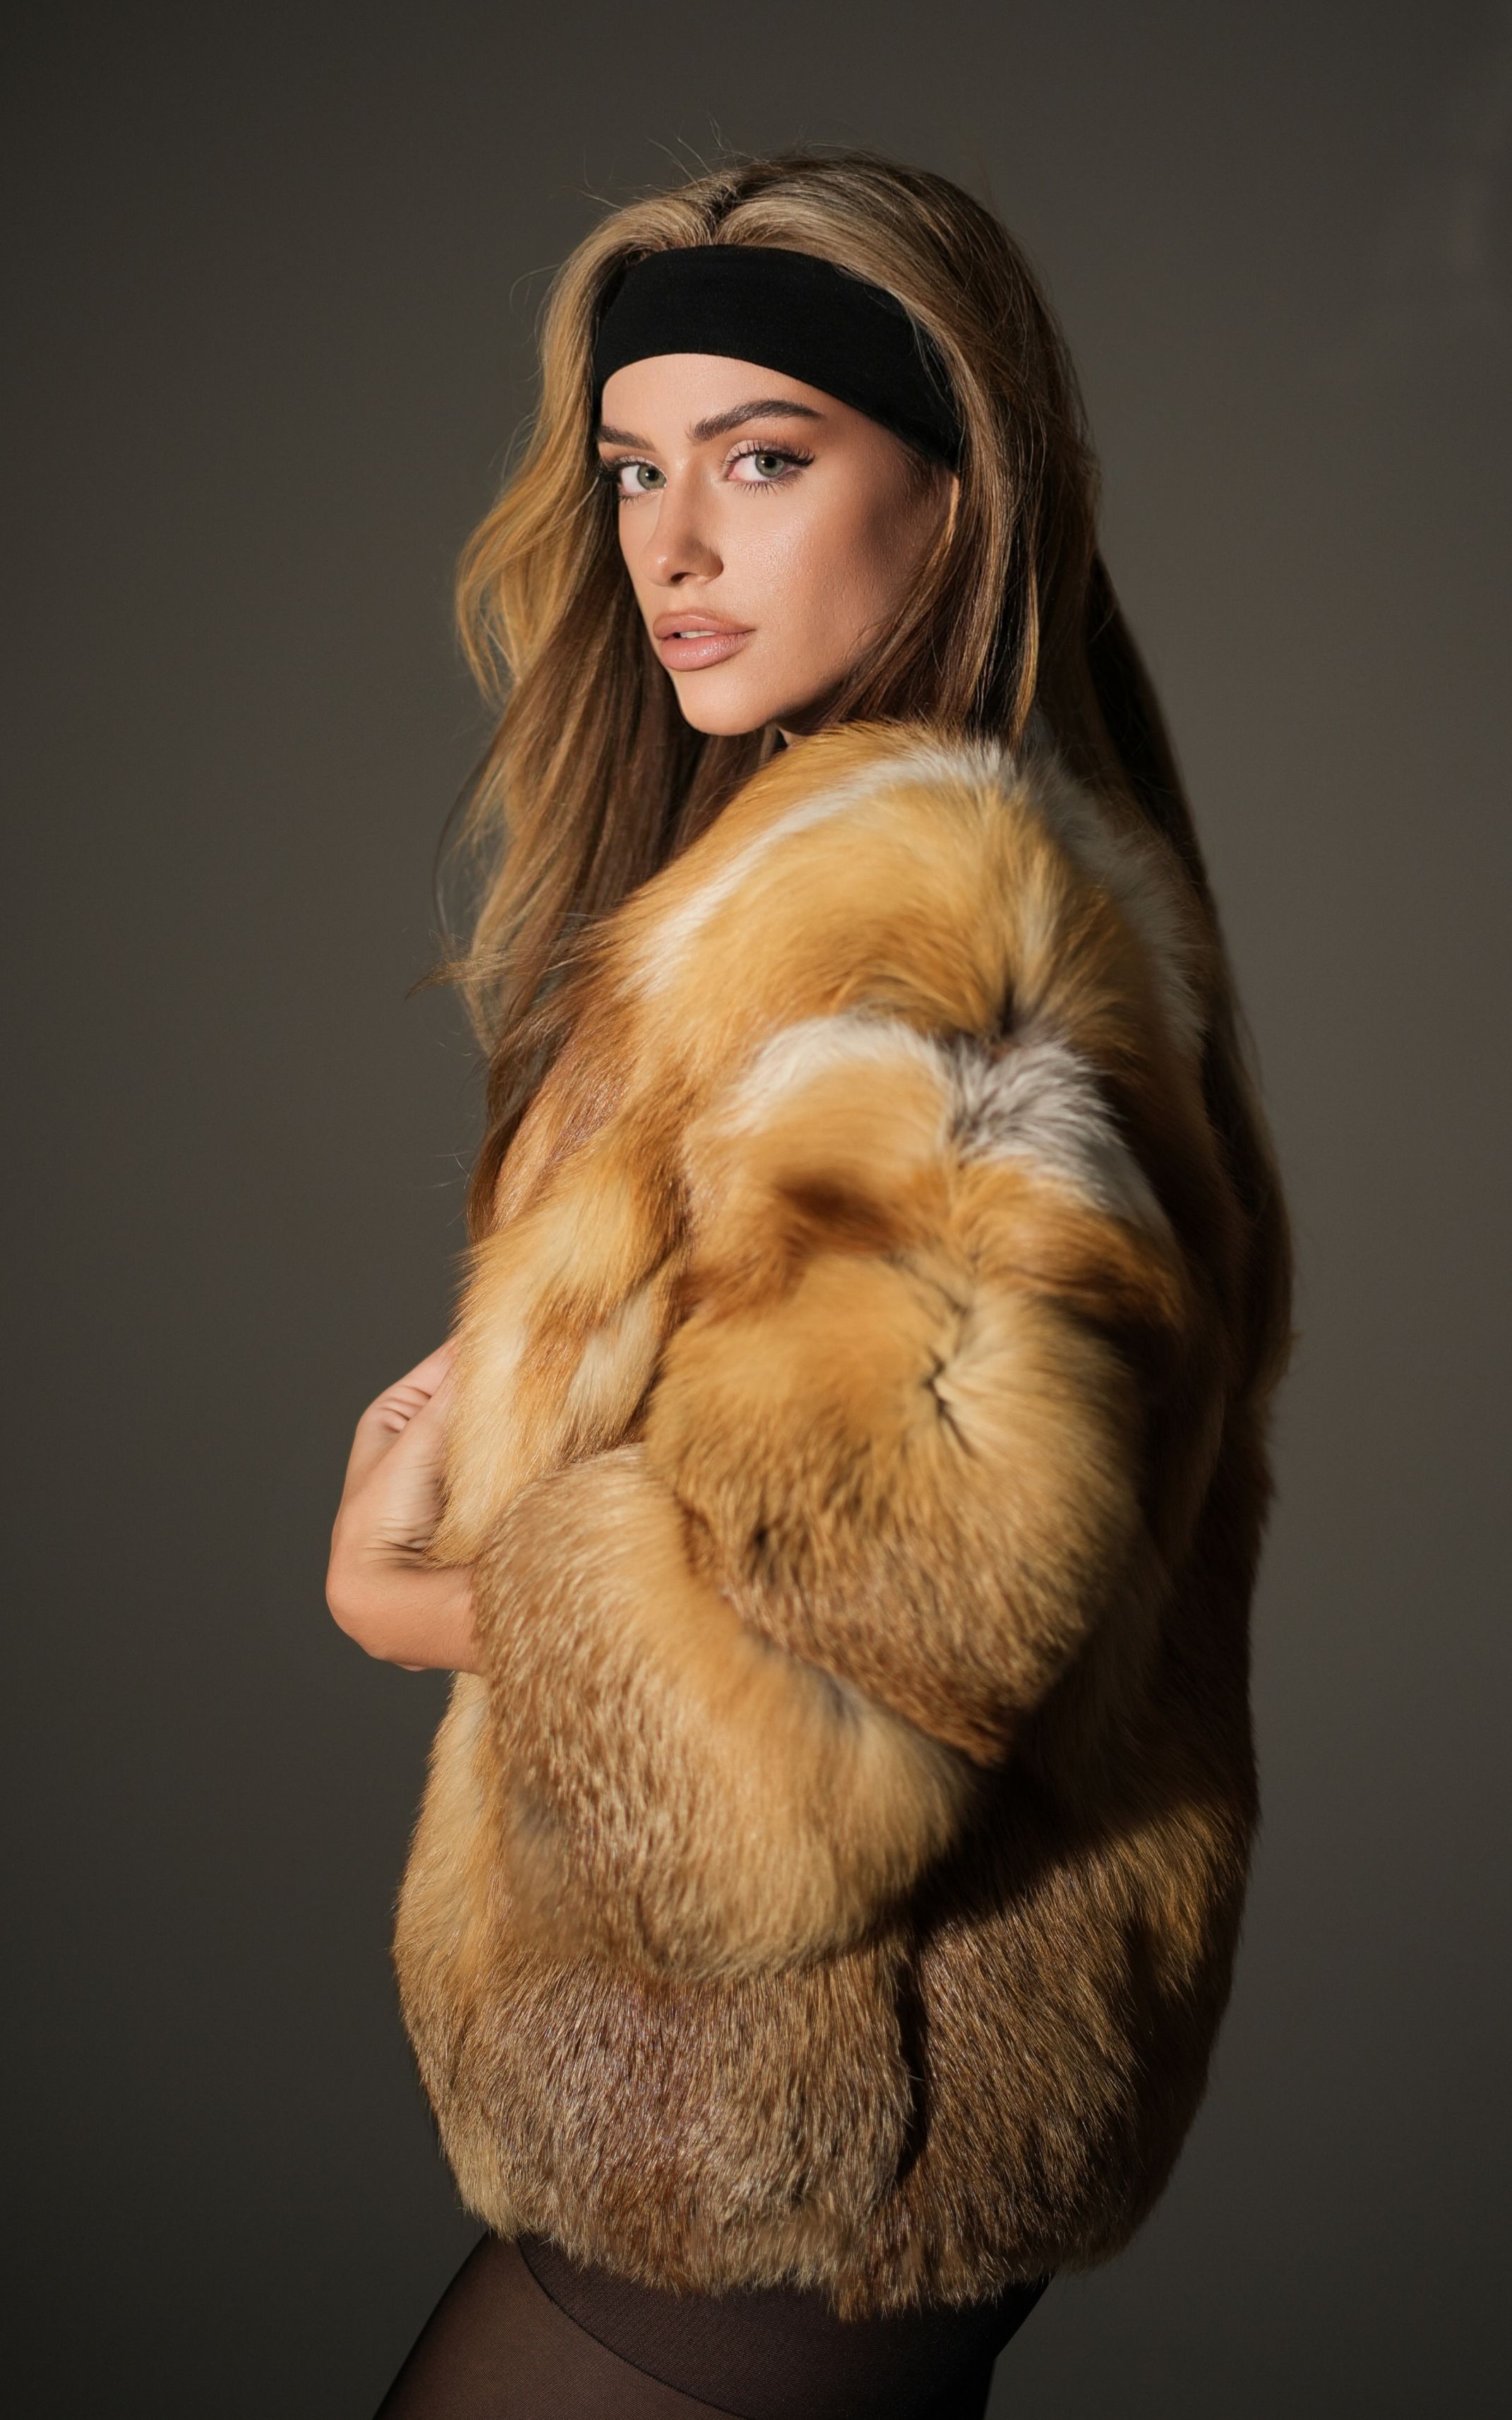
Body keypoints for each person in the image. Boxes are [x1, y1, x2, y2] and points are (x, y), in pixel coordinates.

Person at [327, 149, 1293, 2419]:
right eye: (634, 469)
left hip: (800, 2135)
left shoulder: (939, 915)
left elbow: (847, 1703)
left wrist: (429, 1596)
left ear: (957, 491)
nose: (672, 545)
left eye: (763, 459)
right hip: (799, 2129)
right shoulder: (831, 886)